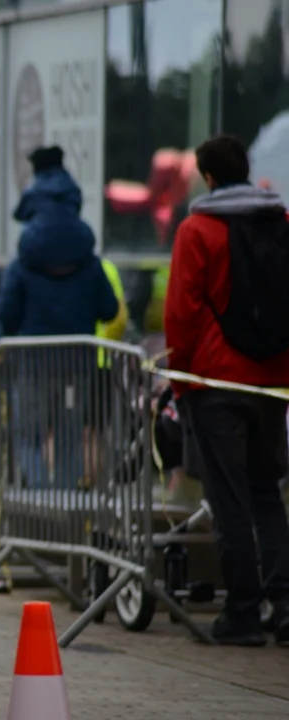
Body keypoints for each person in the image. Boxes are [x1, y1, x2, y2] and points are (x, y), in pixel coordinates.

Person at [164, 134, 289, 647]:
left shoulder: (198, 229)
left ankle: (240, 611)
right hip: (272, 381)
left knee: (230, 497)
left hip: (216, 381)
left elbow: (182, 311)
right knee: (267, 494)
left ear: (208, 177)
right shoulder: (279, 224)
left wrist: (179, 378)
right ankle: (284, 605)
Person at [0, 146, 119, 488]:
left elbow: (7, 312)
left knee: (30, 437)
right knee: (68, 439)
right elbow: (109, 308)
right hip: (77, 365)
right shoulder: (88, 257)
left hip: (32, 363)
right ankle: (65, 515)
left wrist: (10, 339)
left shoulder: (23, 259)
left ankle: (39, 508)